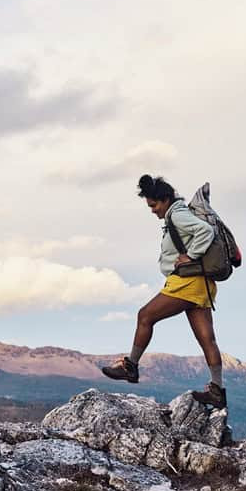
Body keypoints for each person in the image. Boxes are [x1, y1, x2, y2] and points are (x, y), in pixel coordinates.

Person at [100, 174, 228, 409]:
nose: (152, 210)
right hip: (201, 283)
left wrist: (191, 255)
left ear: (165, 199)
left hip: (186, 282)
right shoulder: (176, 214)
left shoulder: (177, 214)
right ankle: (217, 391)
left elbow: (205, 232)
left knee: (145, 316)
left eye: (154, 204)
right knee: (207, 340)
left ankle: (130, 367)